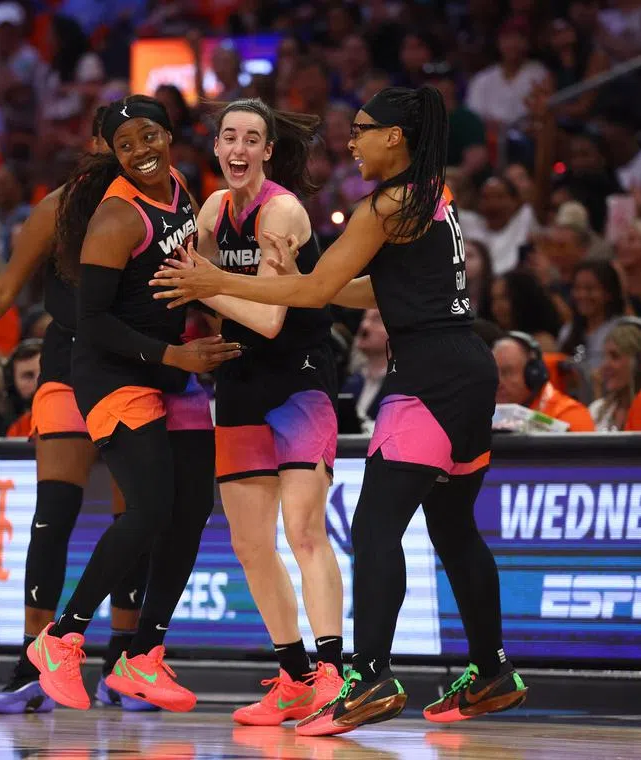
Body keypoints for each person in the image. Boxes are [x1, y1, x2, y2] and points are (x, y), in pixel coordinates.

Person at [153, 86, 528, 734]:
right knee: (455, 530)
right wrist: (250, 287)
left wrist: (214, 282)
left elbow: (314, 290)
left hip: (421, 377)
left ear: (396, 139)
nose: (351, 142)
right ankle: (491, 668)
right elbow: (363, 288)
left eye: (363, 130)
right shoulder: (431, 196)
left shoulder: (384, 204)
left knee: (374, 526)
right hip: (469, 368)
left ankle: (368, 676)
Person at [0, 107, 160, 713]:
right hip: (70, 368)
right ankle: (33, 658)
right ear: (96, 144)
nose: (121, 147)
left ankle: (121, 659)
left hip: (138, 370)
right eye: (111, 137)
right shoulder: (62, 206)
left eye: (138, 136)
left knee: (135, 520)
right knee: (55, 512)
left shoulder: (167, 200)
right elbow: (0, 290)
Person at [26, 95, 239, 712]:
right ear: (113, 155)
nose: (141, 151)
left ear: (169, 136)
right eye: (126, 145)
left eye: (149, 136)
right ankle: (61, 639)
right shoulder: (116, 218)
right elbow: (90, 324)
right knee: (148, 509)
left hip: (168, 362)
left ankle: (143, 656)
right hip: (113, 372)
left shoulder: (177, 185)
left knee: (193, 507)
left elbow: (184, 274)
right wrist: (178, 357)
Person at [177, 97, 344, 725]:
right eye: (228, 137)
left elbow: (272, 318)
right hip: (241, 381)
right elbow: (215, 304)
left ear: (268, 151)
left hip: (299, 380)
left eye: (252, 138)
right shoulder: (213, 212)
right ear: (216, 149)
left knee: (304, 529)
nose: (239, 148)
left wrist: (205, 285)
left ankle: (333, 673)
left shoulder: (283, 211)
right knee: (249, 543)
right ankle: (296, 675)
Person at [493, 332, 596, 432]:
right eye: (493, 373)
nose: (498, 383)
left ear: (533, 373)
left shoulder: (570, 415)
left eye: (507, 372)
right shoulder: (484, 415)